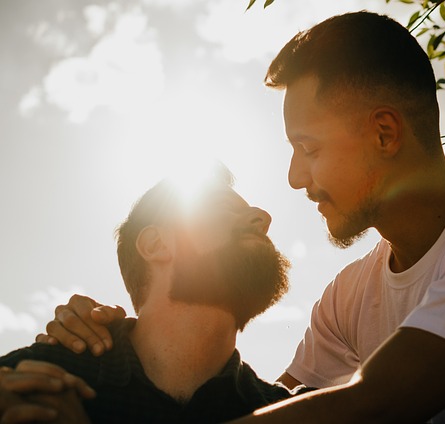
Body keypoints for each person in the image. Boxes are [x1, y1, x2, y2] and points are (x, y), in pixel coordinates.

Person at [36, 11, 445, 423]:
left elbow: (376, 405)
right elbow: (277, 409)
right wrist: (116, 341)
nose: (294, 177)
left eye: (309, 148)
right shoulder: (349, 296)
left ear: (384, 132)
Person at [0, 167, 307, 423]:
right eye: (225, 208)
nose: (263, 217)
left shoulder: (291, 413)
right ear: (156, 245)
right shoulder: (36, 377)